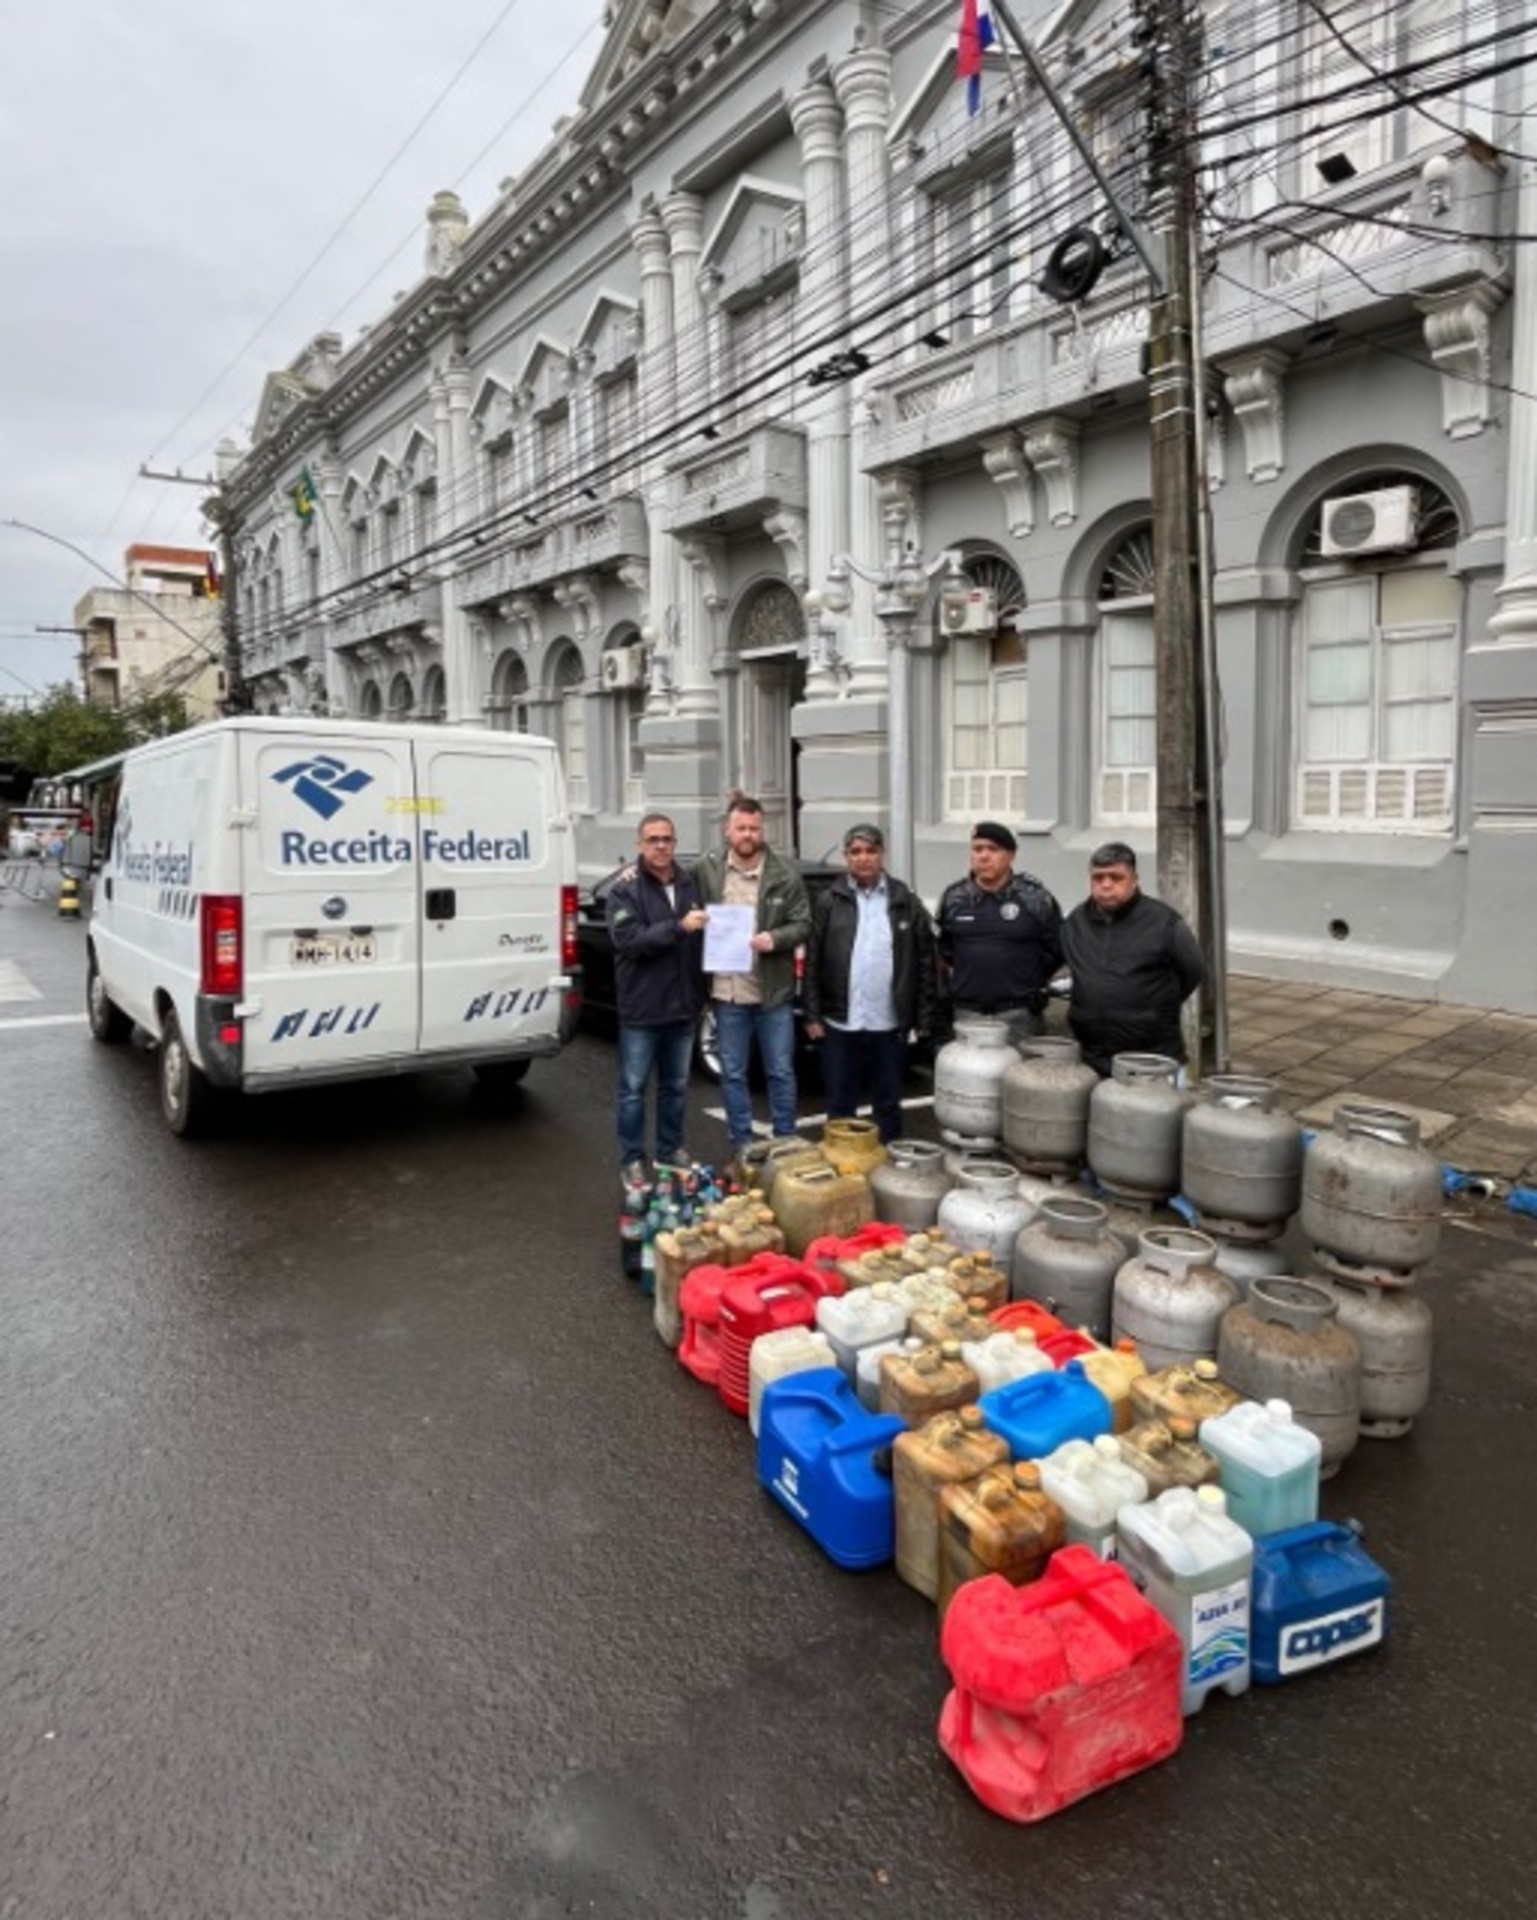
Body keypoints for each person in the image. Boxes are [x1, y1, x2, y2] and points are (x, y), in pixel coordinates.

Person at [802, 823, 938, 1144]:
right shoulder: (828, 902)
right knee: (839, 1104)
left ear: (882, 855)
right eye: (856, 852)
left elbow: (924, 963)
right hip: (840, 1023)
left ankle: (888, 1166)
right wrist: (812, 1015)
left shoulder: (905, 900)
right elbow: (812, 962)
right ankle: (844, 1169)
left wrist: (923, 1019)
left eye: (870, 851)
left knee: (888, 1103)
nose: (863, 858)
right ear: (847, 857)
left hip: (889, 1024)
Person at [693, 794, 811, 1155]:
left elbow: (804, 923)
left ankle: (786, 1141)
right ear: (728, 831)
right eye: (741, 828)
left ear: (763, 831)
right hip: (728, 992)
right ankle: (741, 1143)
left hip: (771, 991)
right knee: (732, 1072)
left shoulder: (785, 873)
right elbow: (677, 894)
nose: (748, 834)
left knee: (779, 1071)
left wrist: (774, 939)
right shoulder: (707, 868)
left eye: (754, 828)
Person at [606, 812, 708, 1181]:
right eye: (653, 839)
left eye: (667, 839)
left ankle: (669, 1150)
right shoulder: (624, 889)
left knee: (676, 1089)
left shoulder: (689, 883)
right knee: (633, 1090)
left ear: (675, 843)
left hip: (682, 1007)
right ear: (640, 845)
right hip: (643, 1010)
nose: (661, 845)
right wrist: (679, 927)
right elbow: (630, 942)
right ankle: (632, 1159)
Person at [1060, 840, 1206, 1075]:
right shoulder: (1075, 923)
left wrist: (1155, 1009)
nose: (1106, 885)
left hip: (1151, 1056)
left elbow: (1193, 970)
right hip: (1092, 1056)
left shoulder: (1164, 923)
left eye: (1116, 878)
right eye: (1098, 878)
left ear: (1135, 880)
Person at [935, 821, 1063, 1038]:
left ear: (1011, 855)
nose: (984, 856)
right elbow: (945, 950)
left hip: (1019, 1016)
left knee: (1021, 1072)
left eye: (993, 849)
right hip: (967, 1015)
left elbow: (1057, 948)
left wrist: (1024, 978)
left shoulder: (1035, 898)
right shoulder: (954, 898)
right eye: (977, 849)